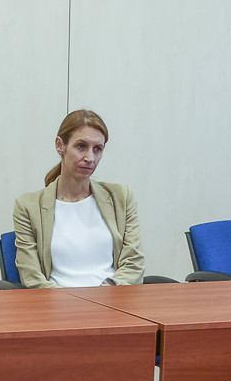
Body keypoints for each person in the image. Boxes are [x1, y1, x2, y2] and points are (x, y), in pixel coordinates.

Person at [12, 109, 145, 288]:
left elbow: (133, 263)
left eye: (97, 149)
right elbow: (32, 276)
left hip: (113, 298)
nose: (90, 158)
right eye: (81, 146)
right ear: (60, 145)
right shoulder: (28, 206)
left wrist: (105, 295)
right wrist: (70, 301)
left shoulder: (121, 197)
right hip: (56, 301)